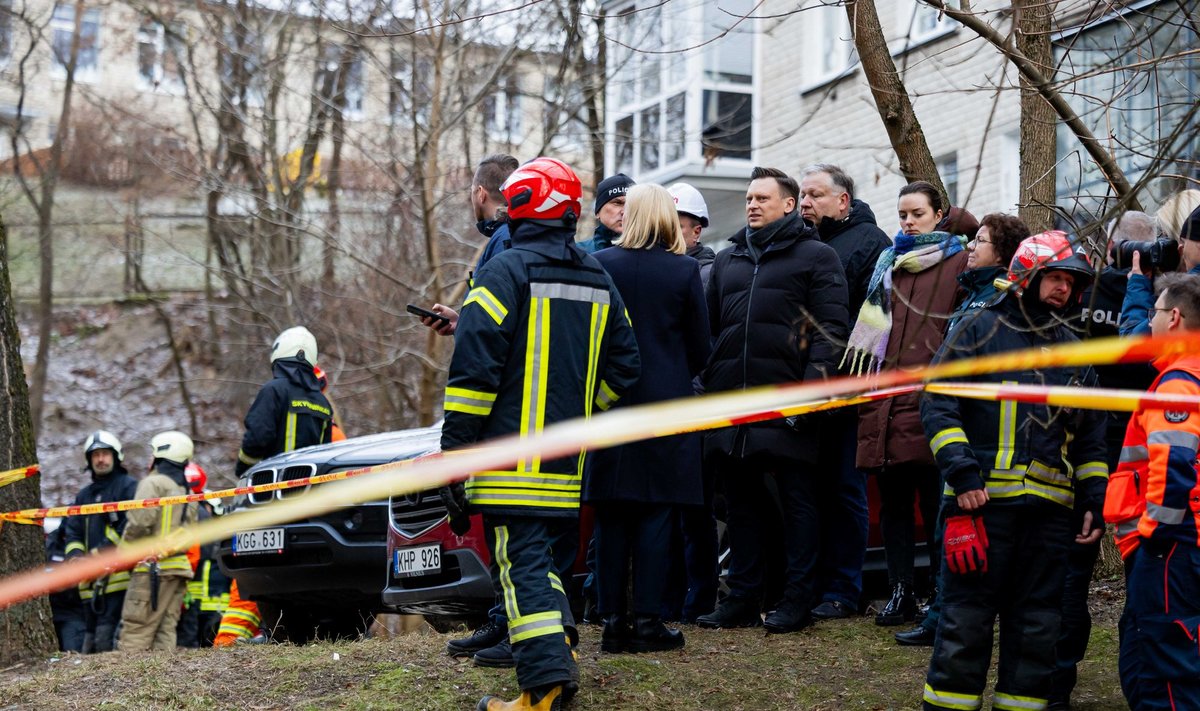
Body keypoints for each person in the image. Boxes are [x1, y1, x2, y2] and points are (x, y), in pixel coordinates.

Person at [439, 157, 640, 711]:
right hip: (565, 462)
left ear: (522, 206)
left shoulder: (503, 272)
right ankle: (560, 653)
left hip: (509, 460)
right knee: (545, 564)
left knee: (520, 566)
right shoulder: (598, 275)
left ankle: (543, 688)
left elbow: (472, 375)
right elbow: (625, 366)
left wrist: (455, 453)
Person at [919, 231, 1109, 711]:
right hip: (981, 507)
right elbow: (938, 405)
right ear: (1027, 275)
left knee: (1038, 629)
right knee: (965, 623)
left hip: (1049, 518)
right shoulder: (977, 331)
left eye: (1071, 282)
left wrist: (1092, 502)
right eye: (1055, 278)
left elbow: (1090, 439)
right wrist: (962, 477)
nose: (1064, 289)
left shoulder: (1076, 356)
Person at [696, 166, 849, 633]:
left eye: (763, 198)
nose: (752, 205)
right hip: (732, 404)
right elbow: (712, 332)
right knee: (740, 504)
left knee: (798, 503)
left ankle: (797, 599)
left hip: (788, 403)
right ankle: (742, 597)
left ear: (788, 204)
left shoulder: (817, 258)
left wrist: (807, 399)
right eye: (748, 198)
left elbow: (831, 334)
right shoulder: (729, 260)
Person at [586, 184, 710, 654]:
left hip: (608, 405)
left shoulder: (600, 266)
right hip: (665, 407)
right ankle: (650, 623)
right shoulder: (683, 270)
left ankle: (613, 623)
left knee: (612, 516)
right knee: (658, 516)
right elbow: (701, 348)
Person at [895, 211, 1027, 647]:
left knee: (963, 537)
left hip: (983, 442)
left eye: (982, 241)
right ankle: (939, 616)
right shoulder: (970, 295)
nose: (972, 248)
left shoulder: (997, 300)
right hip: (957, 434)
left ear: (1003, 254)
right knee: (945, 530)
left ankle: (949, 619)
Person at [844, 182, 969, 629]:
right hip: (885, 399)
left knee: (937, 500)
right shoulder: (888, 264)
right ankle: (901, 590)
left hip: (933, 398)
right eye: (902, 214)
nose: (908, 222)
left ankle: (940, 589)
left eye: (917, 213)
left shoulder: (959, 260)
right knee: (895, 504)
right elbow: (871, 338)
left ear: (939, 214)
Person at [798, 163, 890, 621]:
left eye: (815, 195)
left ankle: (842, 589)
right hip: (805, 385)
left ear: (843, 201)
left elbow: (876, 323)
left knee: (843, 489)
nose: (805, 203)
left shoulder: (871, 245)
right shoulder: (803, 244)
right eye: (801, 196)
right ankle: (809, 586)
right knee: (809, 491)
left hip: (846, 387)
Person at [1105, 272, 1200, 710]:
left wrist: (1153, 535)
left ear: (1175, 317)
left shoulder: (1179, 383)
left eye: (1155, 313)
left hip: (1172, 546)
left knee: (1164, 662)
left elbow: (1174, 463)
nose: (1151, 321)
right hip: (1182, 542)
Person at [660, 181, 718, 623]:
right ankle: (673, 596)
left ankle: (700, 597)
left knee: (696, 513)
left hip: (696, 405)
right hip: (667, 405)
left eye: (679, 226)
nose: (672, 234)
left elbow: (704, 345)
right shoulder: (660, 271)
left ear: (697, 230)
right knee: (672, 513)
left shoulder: (709, 273)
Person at [421, 154, 521, 337]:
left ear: (481, 194)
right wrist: (461, 324)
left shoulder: (504, 240)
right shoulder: (513, 234)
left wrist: (465, 329)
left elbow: (495, 330)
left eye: (473, 192)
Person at [119, 431, 201, 651]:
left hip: (153, 570)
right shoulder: (188, 491)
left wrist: (122, 553)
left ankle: (128, 682)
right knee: (165, 629)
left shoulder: (152, 484)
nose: (149, 459)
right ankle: (160, 683)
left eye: (152, 453)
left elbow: (139, 523)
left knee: (136, 628)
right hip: (179, 568)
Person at [62, 430, 138, 653]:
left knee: (107, 640)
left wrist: (96, 556)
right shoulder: (83, 496)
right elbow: (73, 531)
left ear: (116, 456)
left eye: (105, 454)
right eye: (95, 455)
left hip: (118, 579)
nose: (100, 459)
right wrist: (75, 557)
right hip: (88, 584)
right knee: (89, 642)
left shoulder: (128, 487)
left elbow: (128, 526)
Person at [236, 326, 333, 476]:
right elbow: (326, 451)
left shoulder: (273, 390)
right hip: (312, 493)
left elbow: (257, 438)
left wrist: (243, 469)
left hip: (273, 489)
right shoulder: (323, 403)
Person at [1121, 197, 1200, 336]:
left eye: (1167, 238)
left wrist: (1138, 285)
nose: (1180, 248)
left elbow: (1132, 347)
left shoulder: (1186, 293)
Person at [46, 519, 86, 652]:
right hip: (49, 612)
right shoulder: (50, 542)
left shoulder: (85, 541)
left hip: (74, 612)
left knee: (73, 653)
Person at [668, 182, 715, 288]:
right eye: (664, 225)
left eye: (676, 227)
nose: (667, 232)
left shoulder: (711, 275)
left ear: (696, 232)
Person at [577, 173, 635, 253]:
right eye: (617, 203)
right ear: (597, 212)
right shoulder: (578, 254)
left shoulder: (650, 253)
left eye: (631, 205)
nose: (625, 212)